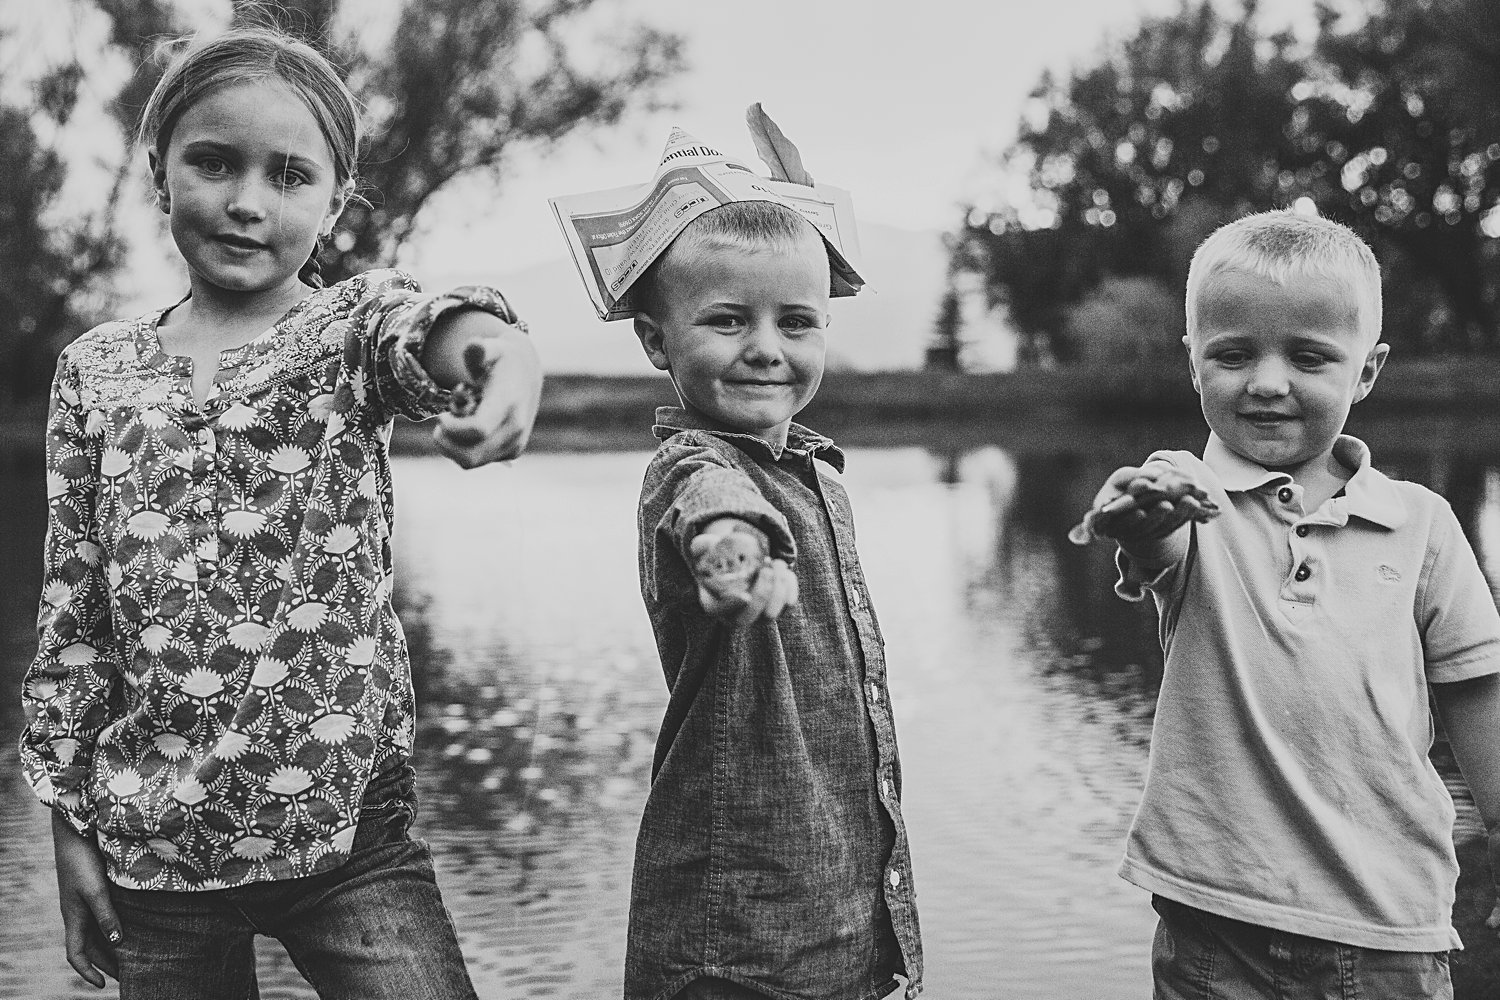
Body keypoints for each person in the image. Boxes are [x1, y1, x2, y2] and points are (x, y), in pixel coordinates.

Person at [19, 24, 542, 1000]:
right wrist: (68, 825)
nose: (248, 201)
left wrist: (504, 358)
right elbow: (74, 616)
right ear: (161, 171)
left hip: (349, 834)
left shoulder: (346, 332)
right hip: (154, 850)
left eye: (290, 175)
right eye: (214, 163)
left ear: (335, 200)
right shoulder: (94, 371)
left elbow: (431, 328)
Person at [1077, 209, 1500, 999]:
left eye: (1308, 357)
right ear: (1193, 364)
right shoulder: (1187, 487)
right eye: (1234, 355)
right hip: (1216, 924)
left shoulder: (1422, 524)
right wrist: (1140, 517)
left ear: (1366, 373)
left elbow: (1475, 687)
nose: (1267, 382)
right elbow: (1157, 538)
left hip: (1387, 927)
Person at [623, 199, 922, 1000]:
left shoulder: (816, 470)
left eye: (796, 323)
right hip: (736, 941)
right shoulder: (691, 467)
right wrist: (732, 551)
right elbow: (712, 503)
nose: (765, 349)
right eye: (726, 321)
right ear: (656, 339)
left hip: (839, 916)